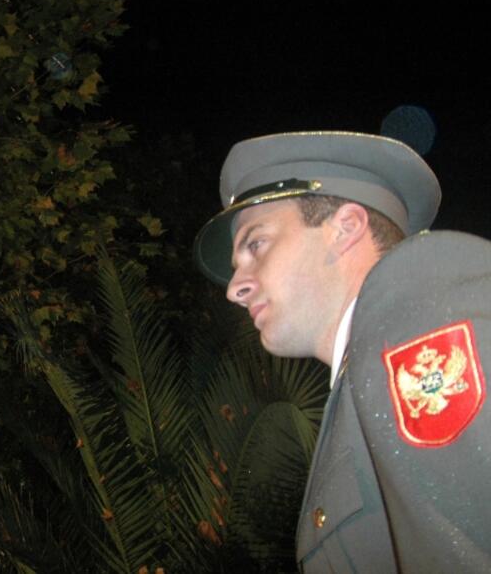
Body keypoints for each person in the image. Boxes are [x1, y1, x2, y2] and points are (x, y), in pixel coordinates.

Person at [193, 131, 491, 572]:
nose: (234, 288)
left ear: (346, 227)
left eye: (255, 244)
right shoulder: (360, 385)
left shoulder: (421, 304)